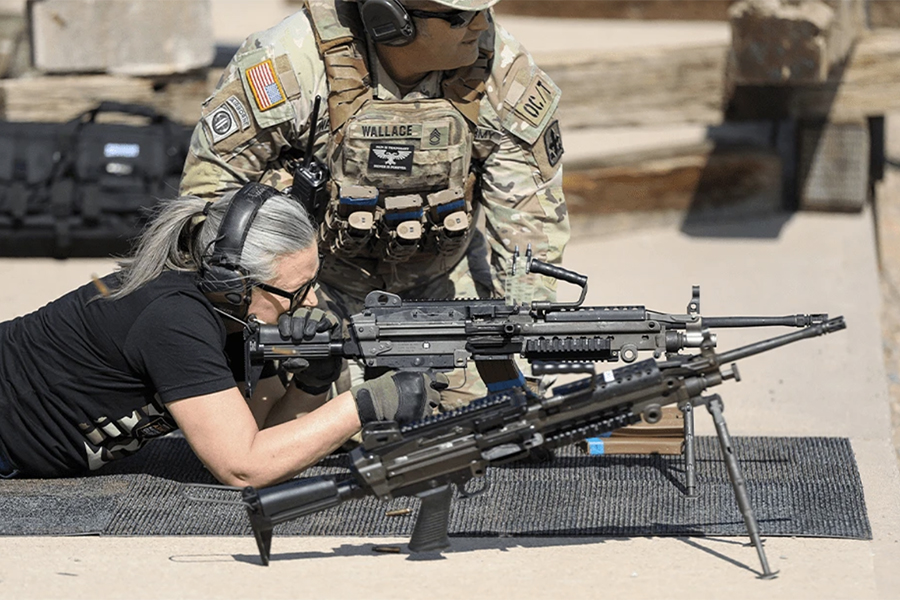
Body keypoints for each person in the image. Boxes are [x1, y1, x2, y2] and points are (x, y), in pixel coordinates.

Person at [180, 0, 570, 407]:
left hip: (442, 293)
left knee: (491, 419)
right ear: (390, 19)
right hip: (310, 296)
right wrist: (255, 312)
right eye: (458, 17)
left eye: (482, 11)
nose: (479, 25)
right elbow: (209, 205)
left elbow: (530, 223)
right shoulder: (290, 62)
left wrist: (521, 328)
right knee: (289, 426)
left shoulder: (501, 68)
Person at [0, 184, 444, 486]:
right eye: (296, 291)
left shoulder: (232, 314)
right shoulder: (174, 319)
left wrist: (314, 381)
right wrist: (373, 401)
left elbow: (266, 435)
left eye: (313, 284)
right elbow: (243, 468)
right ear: (235, 281)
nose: (310, 304)